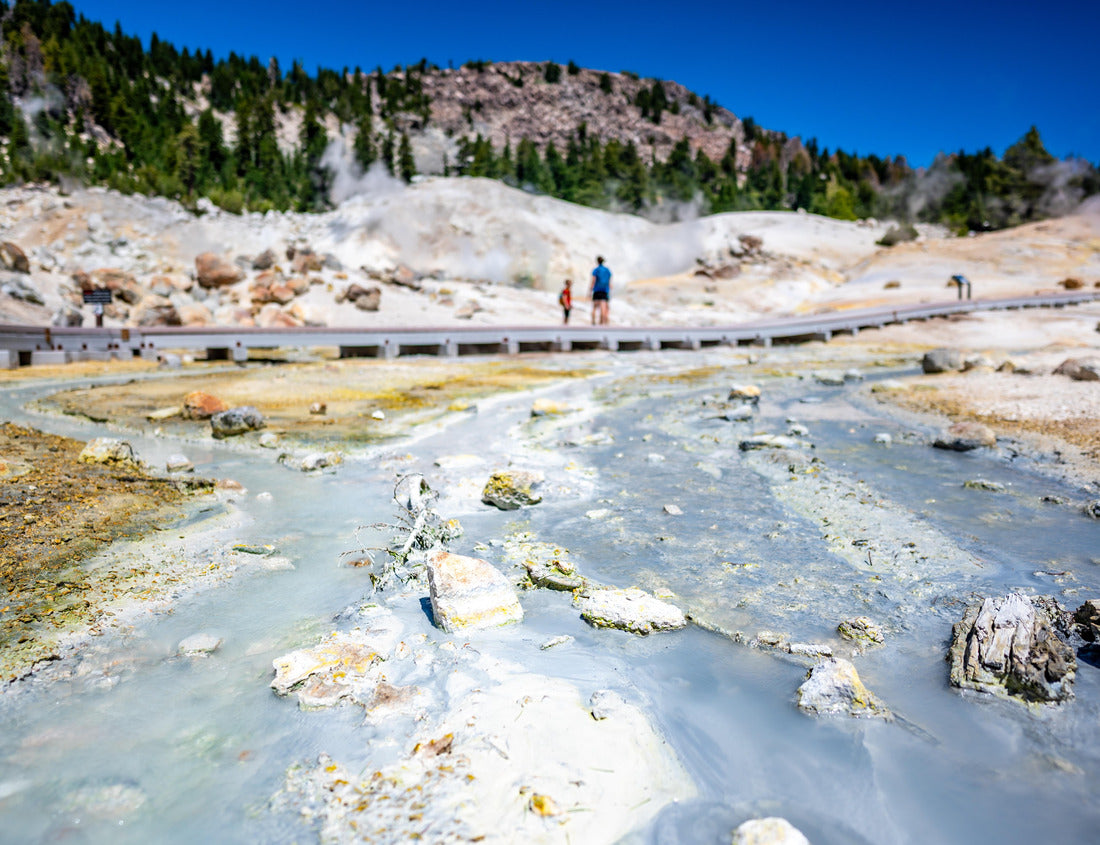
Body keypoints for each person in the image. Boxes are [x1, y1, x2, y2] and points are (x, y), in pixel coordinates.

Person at [589, 256, 611, 325]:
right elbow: (609, 282)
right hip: (605, 290)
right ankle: (601, 323)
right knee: (603, 307)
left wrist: (590, 290)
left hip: (597, 290)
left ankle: (593, 322)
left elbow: (593, 281)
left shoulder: (596, 270)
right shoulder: (607, 270)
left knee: (594, 307)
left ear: (597, 261)